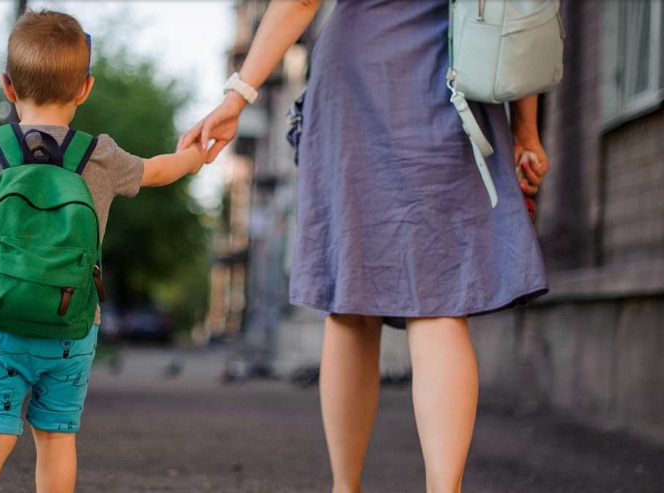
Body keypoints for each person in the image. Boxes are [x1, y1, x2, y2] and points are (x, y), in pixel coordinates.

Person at [178, 1, 550, 492]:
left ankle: (345, 487)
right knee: (437, 302)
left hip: (358, 75)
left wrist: (238, 95)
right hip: (458, 74)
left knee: (351, 302)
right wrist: (526, 128)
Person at [0, 10, 206, 493]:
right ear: (85, 88)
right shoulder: (99, 155)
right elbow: (159, 170)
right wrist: (195, 155)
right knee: (56, 437)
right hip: (71, 327)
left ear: (7, 85)